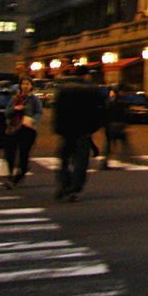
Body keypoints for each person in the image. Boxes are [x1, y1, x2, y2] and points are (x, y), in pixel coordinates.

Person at [53, 70, 106, 202]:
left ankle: (64, 184)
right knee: (81, 161)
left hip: (67, 131)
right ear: (85, 76)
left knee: (63, 159)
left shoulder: (63, 90)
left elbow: (57, 111)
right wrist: (93, 128)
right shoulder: (92, 90)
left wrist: (58, 129)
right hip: (83, 131)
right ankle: (75, 187)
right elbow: (100, 110)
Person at [3, 76, 43, 187]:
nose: (25, 86)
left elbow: (39, 113)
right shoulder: (14, 98)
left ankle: (20, 173)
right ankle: (10, 176)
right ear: (20, 85)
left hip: (27, 130)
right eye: (23, 84)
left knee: (24, 154)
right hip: (14, 128)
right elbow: (7, 112)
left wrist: (32, 120)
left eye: (27, 84)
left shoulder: (34, 99)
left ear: (31, 86)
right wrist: (15, 109)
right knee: (10, 153)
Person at [101, 86, 133, 168]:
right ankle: (127, 158)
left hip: (110, 125)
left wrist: (104, 124)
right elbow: (126, 114)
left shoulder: (108, 102)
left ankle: (105, 161)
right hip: (119, 124)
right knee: (124, 142)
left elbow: (104, 114)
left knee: (109, 144)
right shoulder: (122, 102)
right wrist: (125, 123)